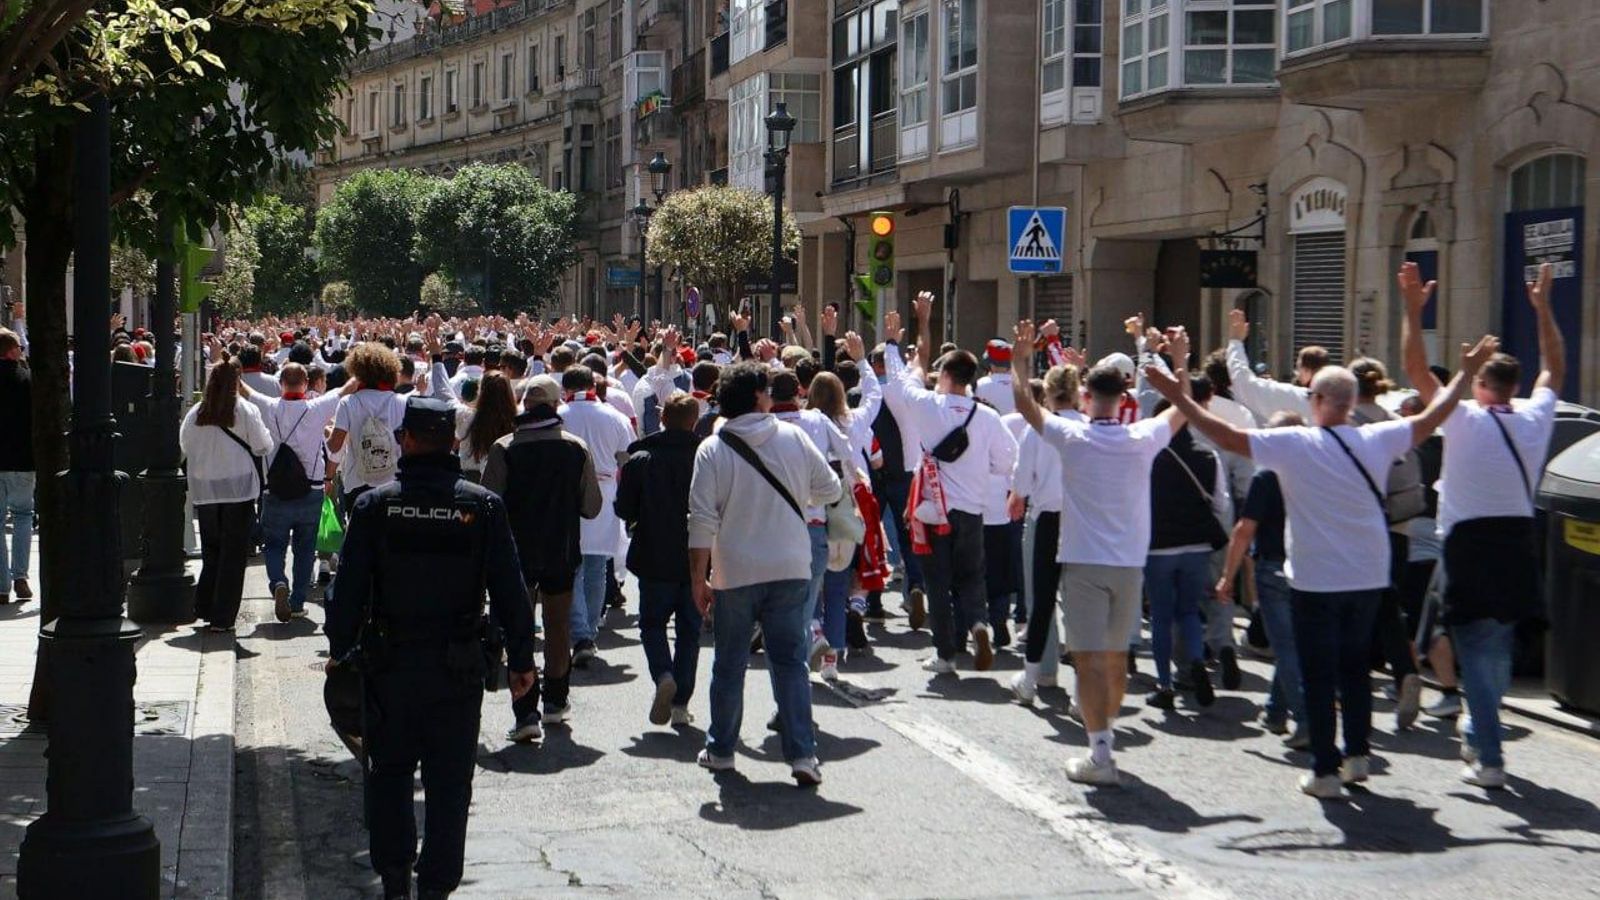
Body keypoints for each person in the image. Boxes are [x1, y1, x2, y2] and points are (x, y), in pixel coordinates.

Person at [1144, 331, 1495, 800]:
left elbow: (1226, 435)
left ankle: (1326, 769)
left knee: (1318, 673)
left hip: (1314, 579)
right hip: (1368, 575)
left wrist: (1176, 397)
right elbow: (1434, 418)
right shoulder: (1377, 436)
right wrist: (1467, 374)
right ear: (1348, 403)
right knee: (1354, 670)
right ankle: (1357, 755)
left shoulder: (1294, 444)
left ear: (1319, 399)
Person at [326, 396, 537, 900]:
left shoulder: (375, 507)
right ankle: (437, 885)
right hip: (457, 666)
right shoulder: (482, 506)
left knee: (390, 774)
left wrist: (340, 649)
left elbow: (349, 591)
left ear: (407, 440)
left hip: (389, 664)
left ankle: (395, 877)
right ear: (455, 443)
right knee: (448, 784)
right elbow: (510, 588)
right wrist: (523, 663)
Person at [1401, 261, 1564, 789]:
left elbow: (1415, 370)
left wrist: (1412, 308)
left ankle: (1489, 753)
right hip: (1517, 538)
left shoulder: (1462, 417)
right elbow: (1554, 368)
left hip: (1468, 542)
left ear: (1478, 385)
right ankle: (1479, 728)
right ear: (1514, 388)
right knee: (1495, 645)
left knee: (1474, 646)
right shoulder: (1536, 420)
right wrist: (1542, 309)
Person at [1009, 321, 1183, 785]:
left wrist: (1021, 359)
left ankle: (1100, 751)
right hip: (1129, 564)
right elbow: (1183, 410)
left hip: (1083, 561)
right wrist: (1179, 363)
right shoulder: (1142, 437)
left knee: (1087, 659)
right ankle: (1103, 745)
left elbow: (1026, 405)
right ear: (1124, 402)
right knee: (1113, 657)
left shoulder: (1073, 438)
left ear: (1086, 400)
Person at [688, 362, 841, 786]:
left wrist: (697, 578)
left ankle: (721, 749)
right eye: (767, 390)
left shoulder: (713, 449)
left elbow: (701, 521)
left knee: (729, 662)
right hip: (791, 563)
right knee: (791, 662)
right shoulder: (793, 437)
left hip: (735, 569)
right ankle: (803, 756)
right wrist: (798, 493)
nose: (772, 395)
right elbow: (831, 488)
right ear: (757, 397)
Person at [883, 293, 1018, 675]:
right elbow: (1007, 461)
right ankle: (978, 624)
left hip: (933, 511)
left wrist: (917, 327)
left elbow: (901, 377)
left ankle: (944, 655)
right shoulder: (988, 417)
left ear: (943, 376)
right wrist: (980, 472)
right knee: (972, 575)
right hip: (973, 510)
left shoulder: (928, 406)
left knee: (938, 583)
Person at [483, 374, 602, 739]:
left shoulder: (504, 447)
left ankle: (525, 713)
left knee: (519, 631)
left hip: (515, 553)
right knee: (558, 627)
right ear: (555, 406)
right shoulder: (575, 447)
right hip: (561, 549)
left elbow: (490, 501)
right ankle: (555, 700)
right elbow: (592, 506)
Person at [1217, 411, 1308, 749]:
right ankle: (1275, 711)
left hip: (1273, 568)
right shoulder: (1315, 472)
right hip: (1308, 566)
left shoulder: (1267, 476)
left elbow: (1244, 530)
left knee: (1286, 648)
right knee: (1293, 643)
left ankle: (1305, 720)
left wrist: (1228, 576)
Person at [616, 393, 703, 726]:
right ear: (694, 421)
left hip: (653, 552)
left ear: (662, 419)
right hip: (697, 553)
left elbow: (624, 508)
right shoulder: (705, 456)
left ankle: (663, 674)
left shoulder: (642, 458)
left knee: (652, 624)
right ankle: (680, 703)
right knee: (689, 630)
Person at [242, 362, 352, 621]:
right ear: (305, 384)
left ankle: (278, 583)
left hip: (275, 491)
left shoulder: (268, 406)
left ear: (281, 384)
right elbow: (347, 389)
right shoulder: (316, 407)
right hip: (311, 490)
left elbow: (244, 390)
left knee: (275, 545)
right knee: (305, 549)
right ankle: (298, 601)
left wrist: (227, 364)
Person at [180, 358, 273, 633]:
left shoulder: (197, 412)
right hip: (239, 490)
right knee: (233, 557)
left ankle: (206, 606)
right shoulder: (245, 410)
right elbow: (263, 445)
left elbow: (183, 444)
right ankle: (222, 617)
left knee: (212, 551)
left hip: (206, 490)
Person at [1009, 363, 1082, 705]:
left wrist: (1017, 496)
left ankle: (1035, 676)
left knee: (1042, 601)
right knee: (1082, 605)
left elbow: (1021, 483)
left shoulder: (1038, 430)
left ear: (1050, 394)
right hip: (1084, 520)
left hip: (1047, 517)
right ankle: (1084, 691)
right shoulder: (1091, 428)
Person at [558, 365, 635, 666]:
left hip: (568, 493)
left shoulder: (560, 414)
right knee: (596, 564)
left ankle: (582, 634)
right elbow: (626, 456)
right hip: (604, 491)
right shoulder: (613, 416)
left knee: (575, 565)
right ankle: (587, 630)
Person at [328, 342, 408, 508]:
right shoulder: (402, 402)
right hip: (394, 482)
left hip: (357, 482)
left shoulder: (348, 403)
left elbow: (335, 446)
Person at [0, 327, 33, 604]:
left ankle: (1, 586)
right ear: (12, 351)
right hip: (23, 459)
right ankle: (20, 576)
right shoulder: (27, 379)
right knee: (23, 516)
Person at [455, 371, 518, 483]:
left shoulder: (466, 416)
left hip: (471, 479)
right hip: (505, 479)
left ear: (481, 391)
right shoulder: (516, 421)